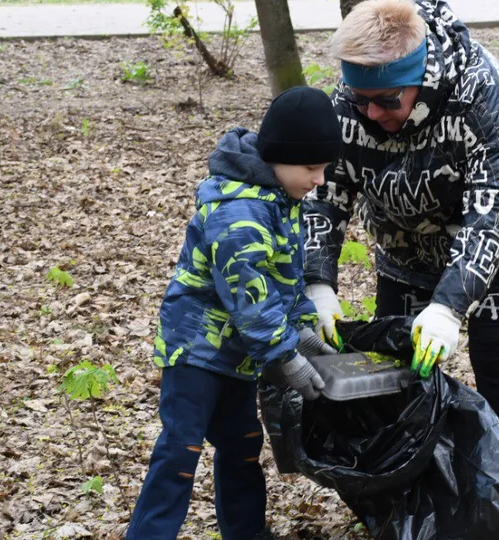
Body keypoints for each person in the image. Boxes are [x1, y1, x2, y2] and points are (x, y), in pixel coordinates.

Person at [303, 0, 499, 466]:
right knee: (393, 360)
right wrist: (317, 282)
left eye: (385, 101)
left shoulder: (480, 87)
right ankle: (403, 479)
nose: (371, 113)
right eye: (361, 100)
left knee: (496, 356)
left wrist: (448, 306)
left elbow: (493, 208)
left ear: (419, 77)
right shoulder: (351, 98)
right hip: (405, 246)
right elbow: (326, 191)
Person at [127, 86, 342, 539]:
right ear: (280, 158)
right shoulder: (238, 210)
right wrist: (286, 356)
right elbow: (251, 296)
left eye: (324, 168)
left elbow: (284, 275)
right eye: (311, 167)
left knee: (243, 445)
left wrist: (301, 329)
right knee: (180, 452)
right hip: (197, 352)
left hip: (239, 357)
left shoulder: (280, 202)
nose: (320, 179)